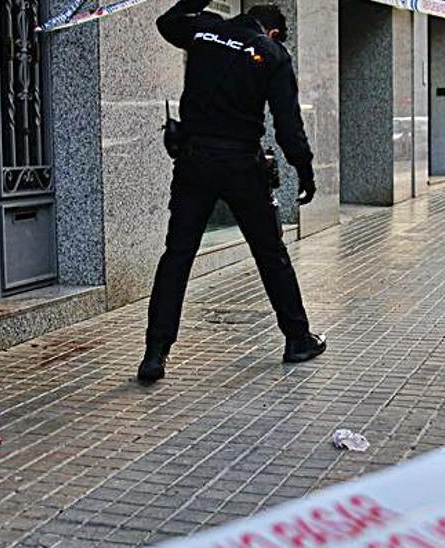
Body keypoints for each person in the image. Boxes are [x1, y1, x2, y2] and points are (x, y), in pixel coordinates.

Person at [139, 1, 326, 384]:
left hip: (194, 162)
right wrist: (304, 170)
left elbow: (166, 22)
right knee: (270, 253)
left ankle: (155, 354)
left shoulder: (205, 31)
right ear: (272, 31)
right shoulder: (271, 53)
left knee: (177, 255)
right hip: (242, 164)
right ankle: (297, 339)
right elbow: (288, 124)